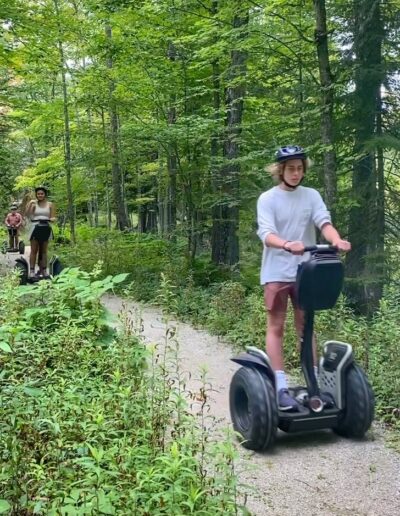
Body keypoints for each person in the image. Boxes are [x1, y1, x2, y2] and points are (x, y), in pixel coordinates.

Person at [256, 145, 351, 411]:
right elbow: (266, 234)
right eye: (291, 169)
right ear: (280, 171)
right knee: (276, 326)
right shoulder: (267, 199)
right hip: (276, 271)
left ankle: (314, 385)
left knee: (305, 326)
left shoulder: (311, 196)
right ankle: (281, 387)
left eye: (300, 169)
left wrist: (336, 240)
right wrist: (287, 244)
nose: (296, 173)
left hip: (306, 270)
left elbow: (324, 222)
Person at [25, 186, 56, 278]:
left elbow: (53, 216)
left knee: (44, 251)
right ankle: (32, 271)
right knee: (34, 250)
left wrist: (53, 219)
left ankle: (43, 270)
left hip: (46, 227)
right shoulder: (33, 204)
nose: (40, 195)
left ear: (45, 194)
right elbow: (27, 215)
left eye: (42, 193)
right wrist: (30, 205)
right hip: (35, 227)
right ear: (36, 195)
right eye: (38, 194)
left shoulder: (50, 204)